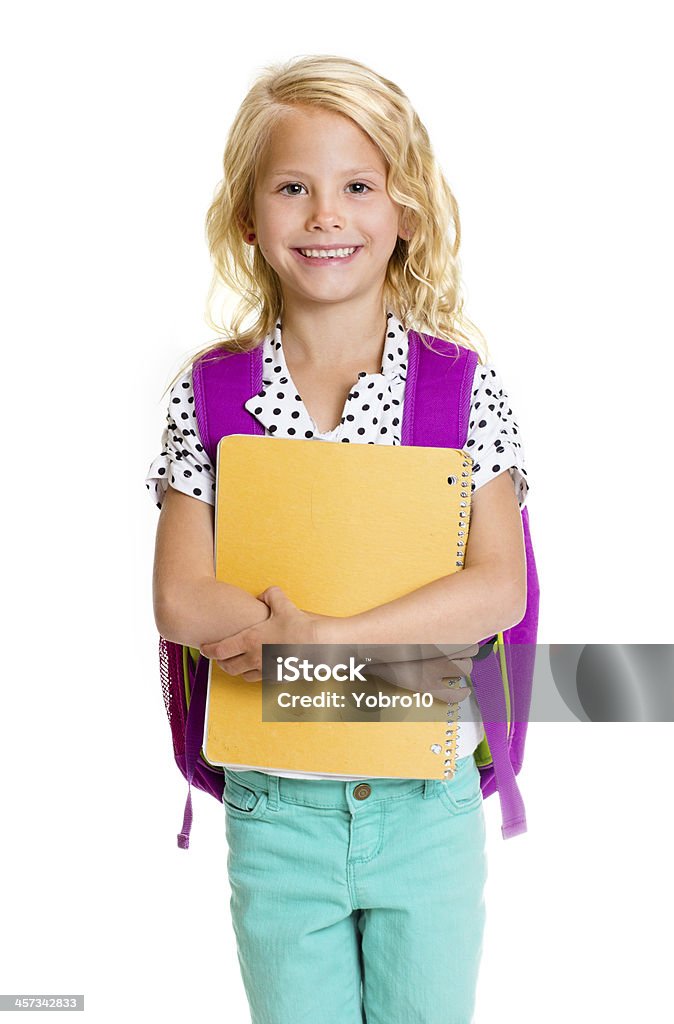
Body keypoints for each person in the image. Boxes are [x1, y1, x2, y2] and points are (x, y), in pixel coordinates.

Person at [146, 54, 529, 1024]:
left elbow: (497, 586)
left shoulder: (458, 385)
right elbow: (181, 595)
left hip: (422, 806)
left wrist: (322, 640)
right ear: (247, 216)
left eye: (357, 186)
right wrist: (293, 638)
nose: (325, 215)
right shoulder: (209, 393)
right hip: (278, 810)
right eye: (292, 187)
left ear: (403, 211)